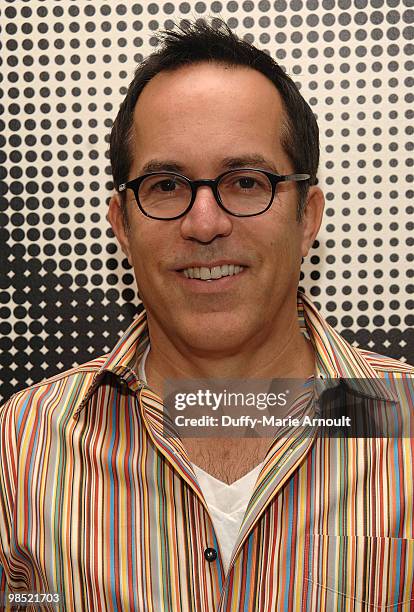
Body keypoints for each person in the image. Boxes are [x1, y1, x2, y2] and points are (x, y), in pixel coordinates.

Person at [1, 19, 413, 612]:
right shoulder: (22, 447)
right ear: (121, 223)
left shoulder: (405, 432)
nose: (204, 223)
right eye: (167, 185)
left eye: (246, 182)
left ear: (309, 217)